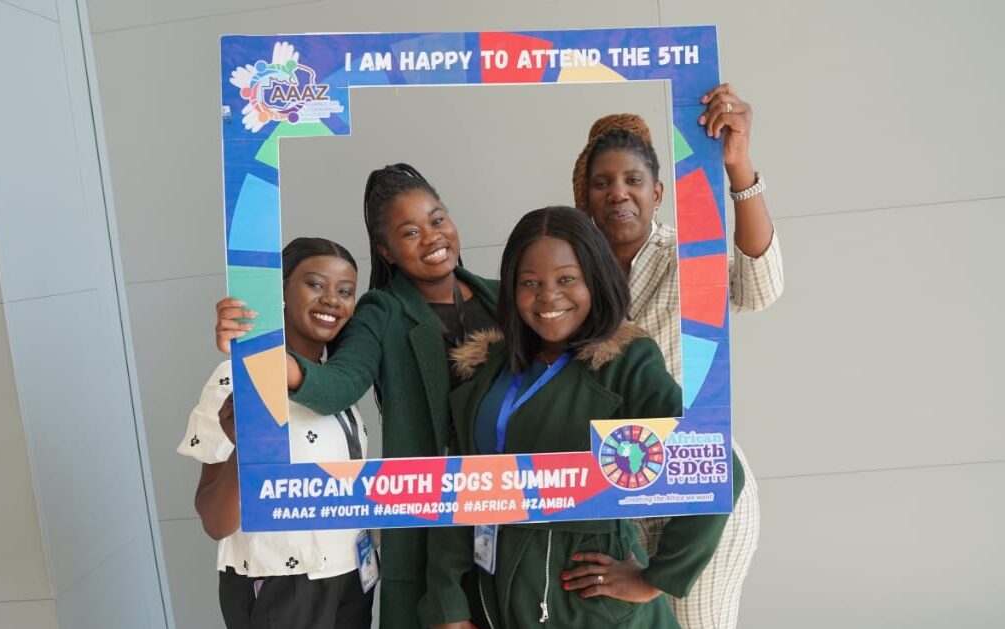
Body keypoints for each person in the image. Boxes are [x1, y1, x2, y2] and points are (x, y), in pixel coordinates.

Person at [418, 207, 745, 629]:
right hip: (497, 594)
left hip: (588, 604)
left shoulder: (626, 363)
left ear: (595, 278)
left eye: (567, 279)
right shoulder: (487, 369)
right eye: (530, 283)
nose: (548, 296)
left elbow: (716, 466)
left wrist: (657, 579)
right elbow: (460, 487)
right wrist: (448, 604)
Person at [215, 164, 499, 629]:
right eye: (410, 231)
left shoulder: (504, 295)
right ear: (385, 250)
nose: (432, 237)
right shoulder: (380, 311)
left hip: (513, 501)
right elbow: (339, 383)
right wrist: (260, 348)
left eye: (437, 218)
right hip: (431, 512)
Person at [571, 85, 784, 629]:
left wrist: (739, 168)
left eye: (633, 180)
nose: (618, 193)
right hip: (616, 496)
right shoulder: (569, 279)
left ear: (659, 192)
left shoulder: (691, 252)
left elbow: (761, 288)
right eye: (603, 183)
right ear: (585, 198)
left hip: (702, 493)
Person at [180, 237, 373, 629]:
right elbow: (216, 522)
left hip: (351, 575)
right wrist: (248, 447)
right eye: (315, 284)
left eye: (346, 291)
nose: (332, 300)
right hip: (282, 585)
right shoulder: (234, 379)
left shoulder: (337, 383)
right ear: (280, 292)